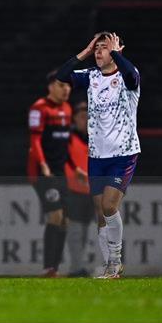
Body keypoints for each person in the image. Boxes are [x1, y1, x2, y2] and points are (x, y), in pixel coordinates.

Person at [56, 32, 141, 279]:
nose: (99, 52)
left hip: (123, 153)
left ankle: (115, 262)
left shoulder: (127, 75)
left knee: (109, 206)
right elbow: (62, 76)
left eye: (105, 48)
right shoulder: (91, 76)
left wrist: (116, 53)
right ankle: (109, 266)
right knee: (99, 211)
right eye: (97, 48)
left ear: (117, 50)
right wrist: (84, 51)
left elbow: (133, 77)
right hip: (97, 155)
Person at [27, 71, 72, 277]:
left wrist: (75, 167)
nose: (67, 89)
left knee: (64, 220)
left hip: (61, 172)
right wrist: (43, 165)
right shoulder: (39, 108)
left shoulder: (67, 109)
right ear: (51, 86)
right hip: (43, 173)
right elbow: (35, 141)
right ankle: (48, 268)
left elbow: (65, 145)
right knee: (55, 216)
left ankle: (54, 267)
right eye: (62, 85)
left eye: (68, 86)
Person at [64, 101, 92, 277]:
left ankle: (78, 266)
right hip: (73, 190)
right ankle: (76, 267)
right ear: (75, 119)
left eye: (88, 116)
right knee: (75, 230)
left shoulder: (97, 137)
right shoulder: (68, 138)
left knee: (84, 231)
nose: (86, 120)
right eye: (82, 117)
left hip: (91, 191)